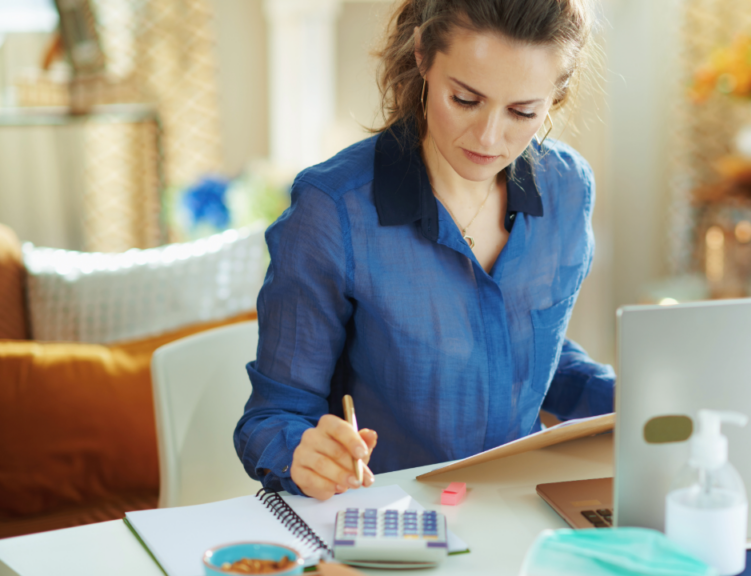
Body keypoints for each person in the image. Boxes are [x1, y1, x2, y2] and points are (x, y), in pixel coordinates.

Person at [234, 0, 615, 501]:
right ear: (423, 56)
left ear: (556, 94)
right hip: (391, 516)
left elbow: (533, 360)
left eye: (522, 111)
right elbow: (271, 418)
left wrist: (640, 402)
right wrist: (302, 453)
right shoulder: (334, 210)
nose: (489, 137)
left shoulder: (567, 187)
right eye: (465, 99)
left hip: (525, 506)